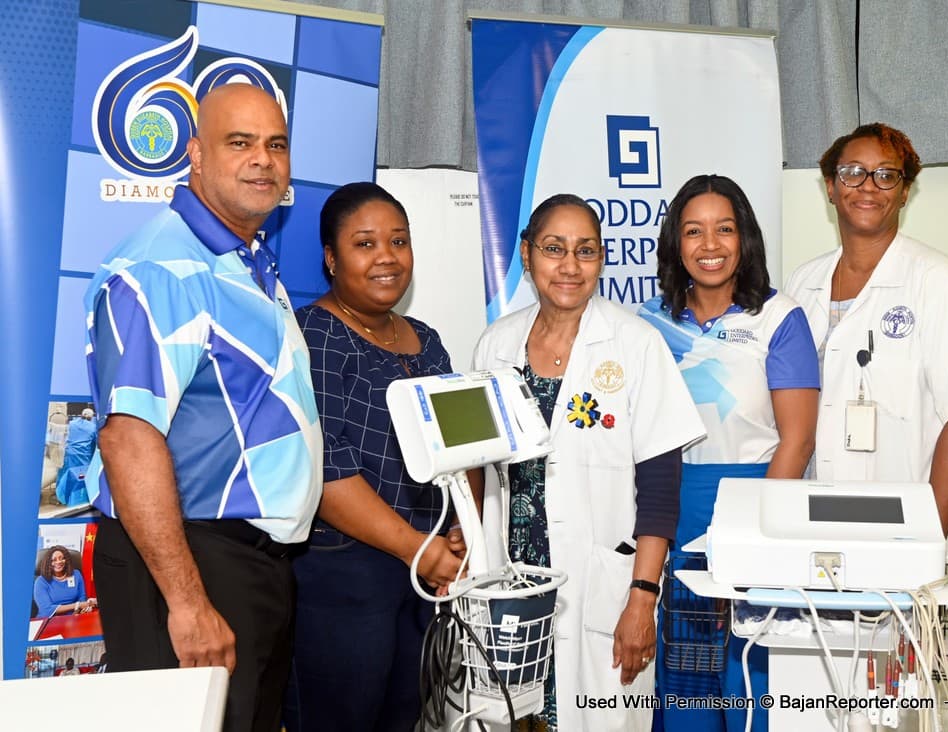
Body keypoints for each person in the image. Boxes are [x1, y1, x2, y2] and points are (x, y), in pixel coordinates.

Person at [83, 83, 322, 732]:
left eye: (276, 145)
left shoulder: (243, 259)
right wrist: (187, 603)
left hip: (246, 562)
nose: (263, 160)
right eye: (238, 142)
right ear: (193, 153)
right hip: (189, 560)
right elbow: (128, 439)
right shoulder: (161, 266)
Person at [471, 194, 706, 731]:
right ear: (527, 254)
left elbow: (661, 488)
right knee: (511, 717)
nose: (570, 266)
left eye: (586, 251)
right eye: (555, 249)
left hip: (605, 585)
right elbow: (479, 471)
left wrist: (642, 600)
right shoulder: (495, 346)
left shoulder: (636, 345)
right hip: (513, 583)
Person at [283, 182, 468, 732]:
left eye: (399, 241)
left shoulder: (428, 341)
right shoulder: (313, 335)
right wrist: (422, 551)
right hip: (344, 580)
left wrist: (461, 529)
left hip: (426, 577)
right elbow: (325, 466)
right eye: (365, 244)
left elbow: (465, 446)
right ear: (331, 258)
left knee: (407, 717)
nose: (387, 257)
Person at [638, 175, 819, 732]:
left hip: (755, 510)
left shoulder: (778, 318)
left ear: (745, 239)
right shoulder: (649, 322)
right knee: (687, 684)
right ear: (675, 242)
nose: (709, 245)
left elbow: (799, 439)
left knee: (750, 684)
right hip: (674, 512)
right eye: (694, 231)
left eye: (724, 229)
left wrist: (750, 540)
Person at [785, 123, 948, 552]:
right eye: (853, 173)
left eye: (886, 175)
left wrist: (922, 546)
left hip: (909, 534)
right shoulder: (802, 283)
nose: (868, 187)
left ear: (905, 192)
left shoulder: (939, 283)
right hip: (820, 530)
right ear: (830, 187)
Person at [33, 545, 97, 617]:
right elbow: (46, 610)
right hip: (49, 620)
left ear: (66, 560)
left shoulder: (76, 574)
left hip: (73, 618)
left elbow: (82, 598)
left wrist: (81, 609)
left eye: (62, 558)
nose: (59, 562)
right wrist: (77, 605)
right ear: (48, 563)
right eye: (53, 560)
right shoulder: (41, 581)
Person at [55, 407, 97, 505]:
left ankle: (61, 499)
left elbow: (64, 436)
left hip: (69, 454)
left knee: (65, 475)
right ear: (91, 417)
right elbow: (95, 443)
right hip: (83, 457)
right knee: (81, 478)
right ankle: (79, 500)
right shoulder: (93, 427)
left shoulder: (72, 424)